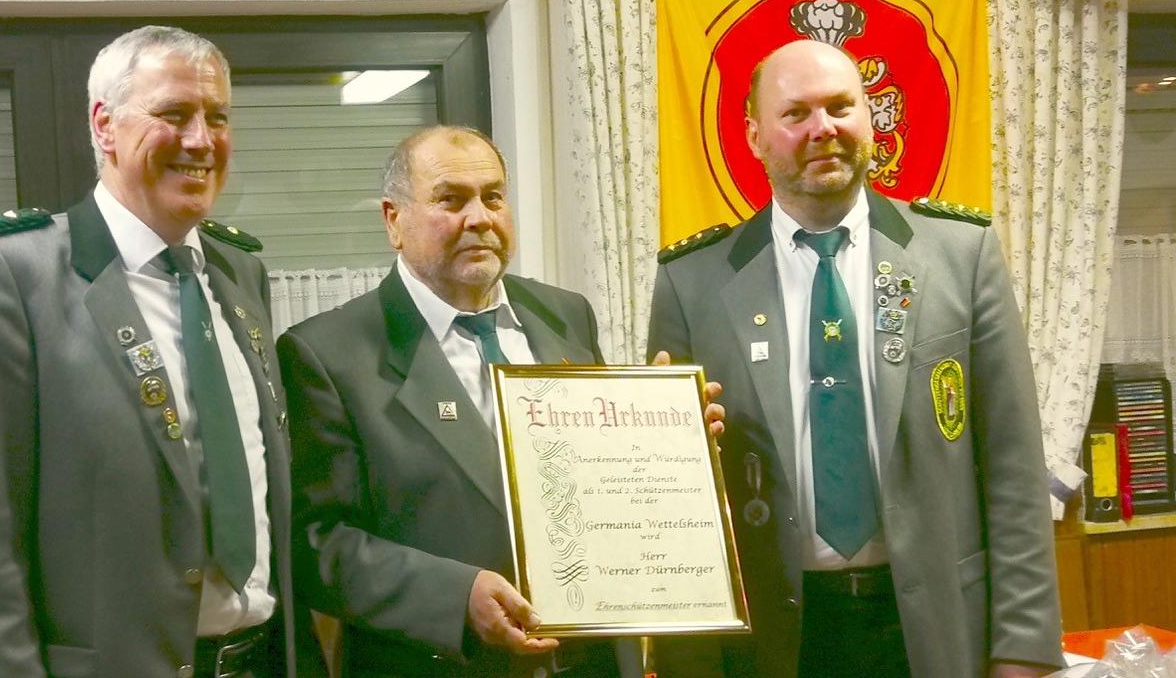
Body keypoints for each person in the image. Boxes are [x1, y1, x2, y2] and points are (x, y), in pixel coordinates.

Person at [647, 40, 1062, 678]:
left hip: (935, 629)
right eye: (797, 114)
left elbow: (1012, 466)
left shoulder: (960, 255)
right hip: (776, 638)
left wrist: (1024, 648)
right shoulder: (692, 283)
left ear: (871, 118)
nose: (824, 130)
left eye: (842, 107)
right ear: (756, 135)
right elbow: (676, 495)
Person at [0, 25, 321, 678]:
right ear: (104, 126)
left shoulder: (241, 274)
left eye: (217, 117)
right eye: (174, 114)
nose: (201, 140)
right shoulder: (9, 276)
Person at [278, 125, 723, 677]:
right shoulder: (327, 354)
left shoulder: (565, 315)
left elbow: (591, 481)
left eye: (493, 197)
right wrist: (454, 595)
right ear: (394, 220)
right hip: (442, 663)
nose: (480, 218)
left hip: (592, 664)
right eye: (450, 199)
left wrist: (665, 442)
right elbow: (317, 545)